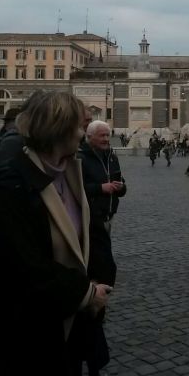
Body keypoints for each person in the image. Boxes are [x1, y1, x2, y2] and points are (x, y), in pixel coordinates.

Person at [0, 91, 112, 376]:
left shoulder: (67, 172)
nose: (83, 132)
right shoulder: (9, 185)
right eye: (80, 126)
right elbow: (21, 266)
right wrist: (87, 293)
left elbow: (91, 238)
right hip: (30, 329)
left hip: (71, 322)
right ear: (60, 129)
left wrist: (102, 279)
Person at [79, 120, 125, 281]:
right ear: (89, 136)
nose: (106, 139)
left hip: (108, 214)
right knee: (96, 259)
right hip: (91, 218)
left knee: (102, 255)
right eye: (102, 136)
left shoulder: (111, 156)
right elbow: (77, 189)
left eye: (108, 135)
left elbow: (120, 181)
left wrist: (121, 187)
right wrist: (100, 188)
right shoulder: (80, 158)